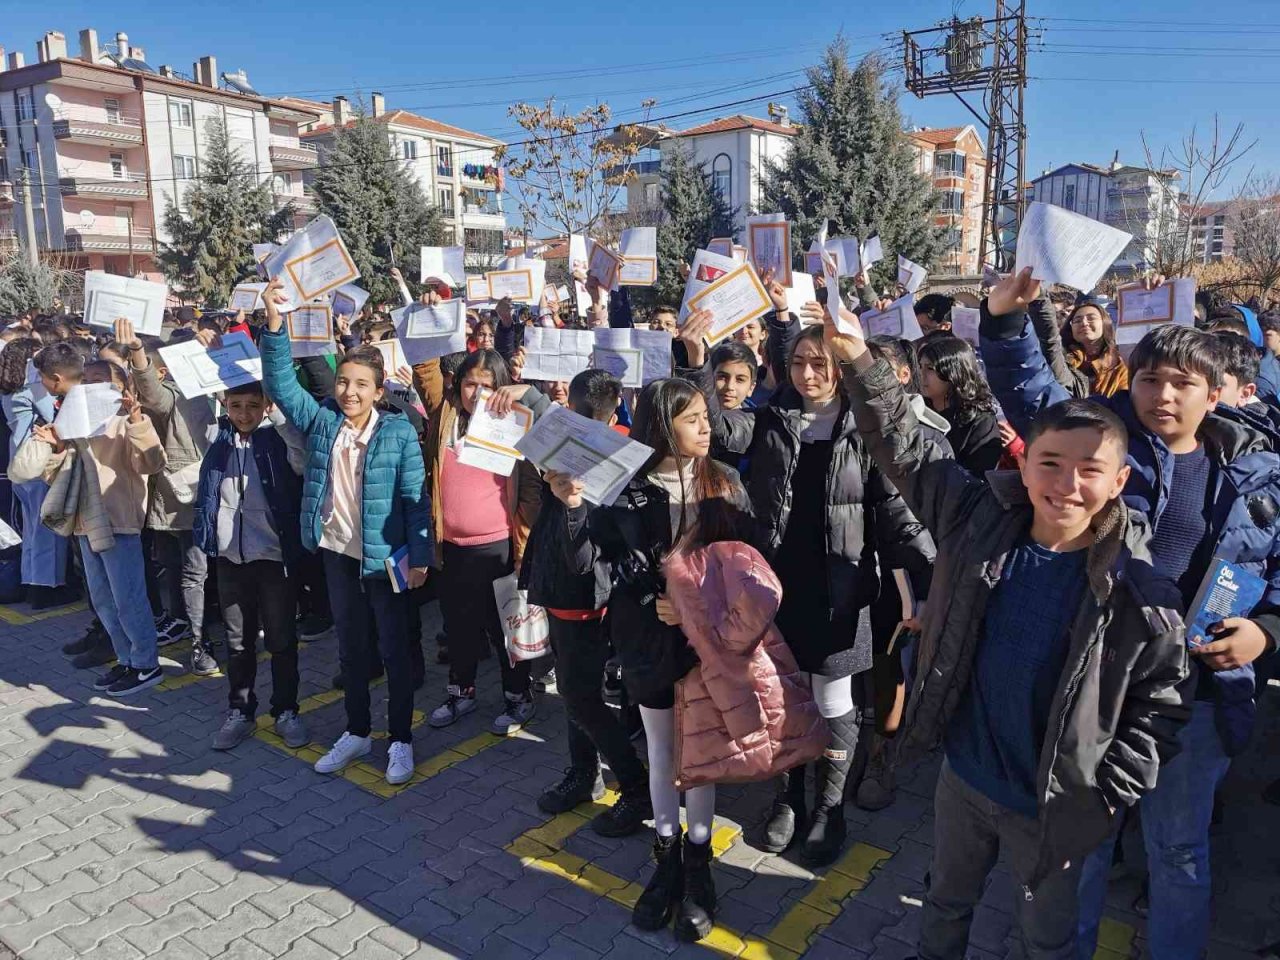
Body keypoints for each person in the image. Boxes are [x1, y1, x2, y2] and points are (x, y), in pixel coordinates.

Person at [835, 299, 1190, 959]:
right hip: (965, 780)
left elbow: (1163, 704)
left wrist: (1105, 798)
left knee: (1045, 938)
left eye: (1089, 470)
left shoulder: (1138, 586)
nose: (1066, 484)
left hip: (1055, 804)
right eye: (1050, 463)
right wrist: (858, 356)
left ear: (1119, 482)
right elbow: (906, 447)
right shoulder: (978, 521)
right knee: (945, 905)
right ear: (1024, 467)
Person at [979, 268, 1280, 960]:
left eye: (1182, 383)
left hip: (1200, 697)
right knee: (1082, 847)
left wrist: (1264, 634)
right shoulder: (1106, 452)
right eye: (1149, 380)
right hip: (1098, 693)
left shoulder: (1259, 477)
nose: (1163, 395)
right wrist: (1002, 321)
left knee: (1178, 850)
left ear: (1216, 393)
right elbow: (1031, 392)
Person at [682, 299, 936, 867]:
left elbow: (897, 511)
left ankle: (829, 806)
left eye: (821, 363)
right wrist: (696, 364)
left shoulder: (863, 430)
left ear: (841, 366)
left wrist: (926, 582)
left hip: (840, 594)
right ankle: (788, 797)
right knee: (783, 698)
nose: (809, 373)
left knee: (831, 700)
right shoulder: (772, 418)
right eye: (798, 362)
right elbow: (721, 431)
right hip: (775, 591)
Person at [587, 376, 755, 942]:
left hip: (706, 641)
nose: (707, 426)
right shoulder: (624, 487)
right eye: (692, 418)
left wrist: (698, 605)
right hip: (647, 642)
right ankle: (667, 859)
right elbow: (606, 556)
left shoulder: (725, 483)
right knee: (661, 751)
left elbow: (750, 563)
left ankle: (700, 864)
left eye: (706, 415)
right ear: (662, 426)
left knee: (702, 751)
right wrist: (649, 597)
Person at [259, 277, 432, 786]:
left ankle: (399, 739)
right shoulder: (322, 423)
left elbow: (415, 500)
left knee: (395, 652)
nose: (350, 392)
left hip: (387, 560)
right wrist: (274, 324)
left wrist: (420, 556)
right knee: (352, 650)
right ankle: (357, 732)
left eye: (361, 385)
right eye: (344, 382)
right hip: (338, 555)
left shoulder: (398, 432)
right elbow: (281, 386)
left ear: (380, 392)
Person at [524, 369, 652, 836]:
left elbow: (589, 550)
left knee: (581, 695)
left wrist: (573, 501)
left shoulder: (620, 457)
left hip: (589, 594)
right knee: (581, 692)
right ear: (616, 405)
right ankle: (583, 773)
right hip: (565, 591)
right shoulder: (604, 447)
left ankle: (635, 785)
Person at [11, 360, 168, 697]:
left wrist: (137, 418)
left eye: (103, 382)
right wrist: (55, 446)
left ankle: (146, 663)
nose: (94, 388)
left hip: (119, 521)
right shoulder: (74, 422)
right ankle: (127, 658)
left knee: (128, 598)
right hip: (84, 520)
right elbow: (57, 475)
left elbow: (152, 463)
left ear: (121, 387)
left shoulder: (129, 420)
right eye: (89, 382)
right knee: (103, 599)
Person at [422, 349, 549, 734]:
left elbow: (531, 488)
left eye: (487, 385)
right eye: (469, 383)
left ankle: (517, 697)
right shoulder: (445, 417)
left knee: (504, 628)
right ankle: (461, 692)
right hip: (451, 548)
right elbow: (425, 372)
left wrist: (526, 394)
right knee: (459, 627)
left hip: (497, 547)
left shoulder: (514, 422)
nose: (477, 393)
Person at [857, 334, 953, 812]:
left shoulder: (929, 439)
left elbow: (929, 525)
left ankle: (883, 756)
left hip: (899, 575)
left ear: (897, 378)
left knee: (888, 664)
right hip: (849, 565)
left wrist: (919, 592)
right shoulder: (841, 426)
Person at [194, 377, 309, 751]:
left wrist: (278, 417)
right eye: (235, 406)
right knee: (237, 642)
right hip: (230, 558)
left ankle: (286, 710)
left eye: (252, 406)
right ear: (224, 405)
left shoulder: (276, 440)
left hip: (273, 560)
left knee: (280, 640)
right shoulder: (218, 441)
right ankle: (241, 711)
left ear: (265, 406)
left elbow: (301, 454)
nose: (244, 414)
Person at [114, 319, 217, 674]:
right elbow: (154, 396)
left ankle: (203, 635)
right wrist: (137, 355)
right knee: (185, 570)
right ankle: (193, 635)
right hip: (178, 499)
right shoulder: (171, 393)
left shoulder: (205, 389)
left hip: (207, 493)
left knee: (197, 572)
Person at [0, 338, 72, 609]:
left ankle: (31, 582)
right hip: (38, 463)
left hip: (19, 462)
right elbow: (56, 418)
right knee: (48, 530)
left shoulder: (10, 389)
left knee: (31, 529)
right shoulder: (33, 390)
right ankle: (47, 588)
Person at [917, 335, 1005, 476]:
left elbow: (979, 475)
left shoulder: (981, 422)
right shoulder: (916, 409)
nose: (921, 374)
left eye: (930, 368)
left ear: (953, 372)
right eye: (920, 366)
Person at [1028, 296, 1129, 399]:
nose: (1084, 323)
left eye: (1091, 318)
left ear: (1105, 323)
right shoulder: (1061, 357)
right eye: (1077, 320)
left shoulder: (1120, 366)